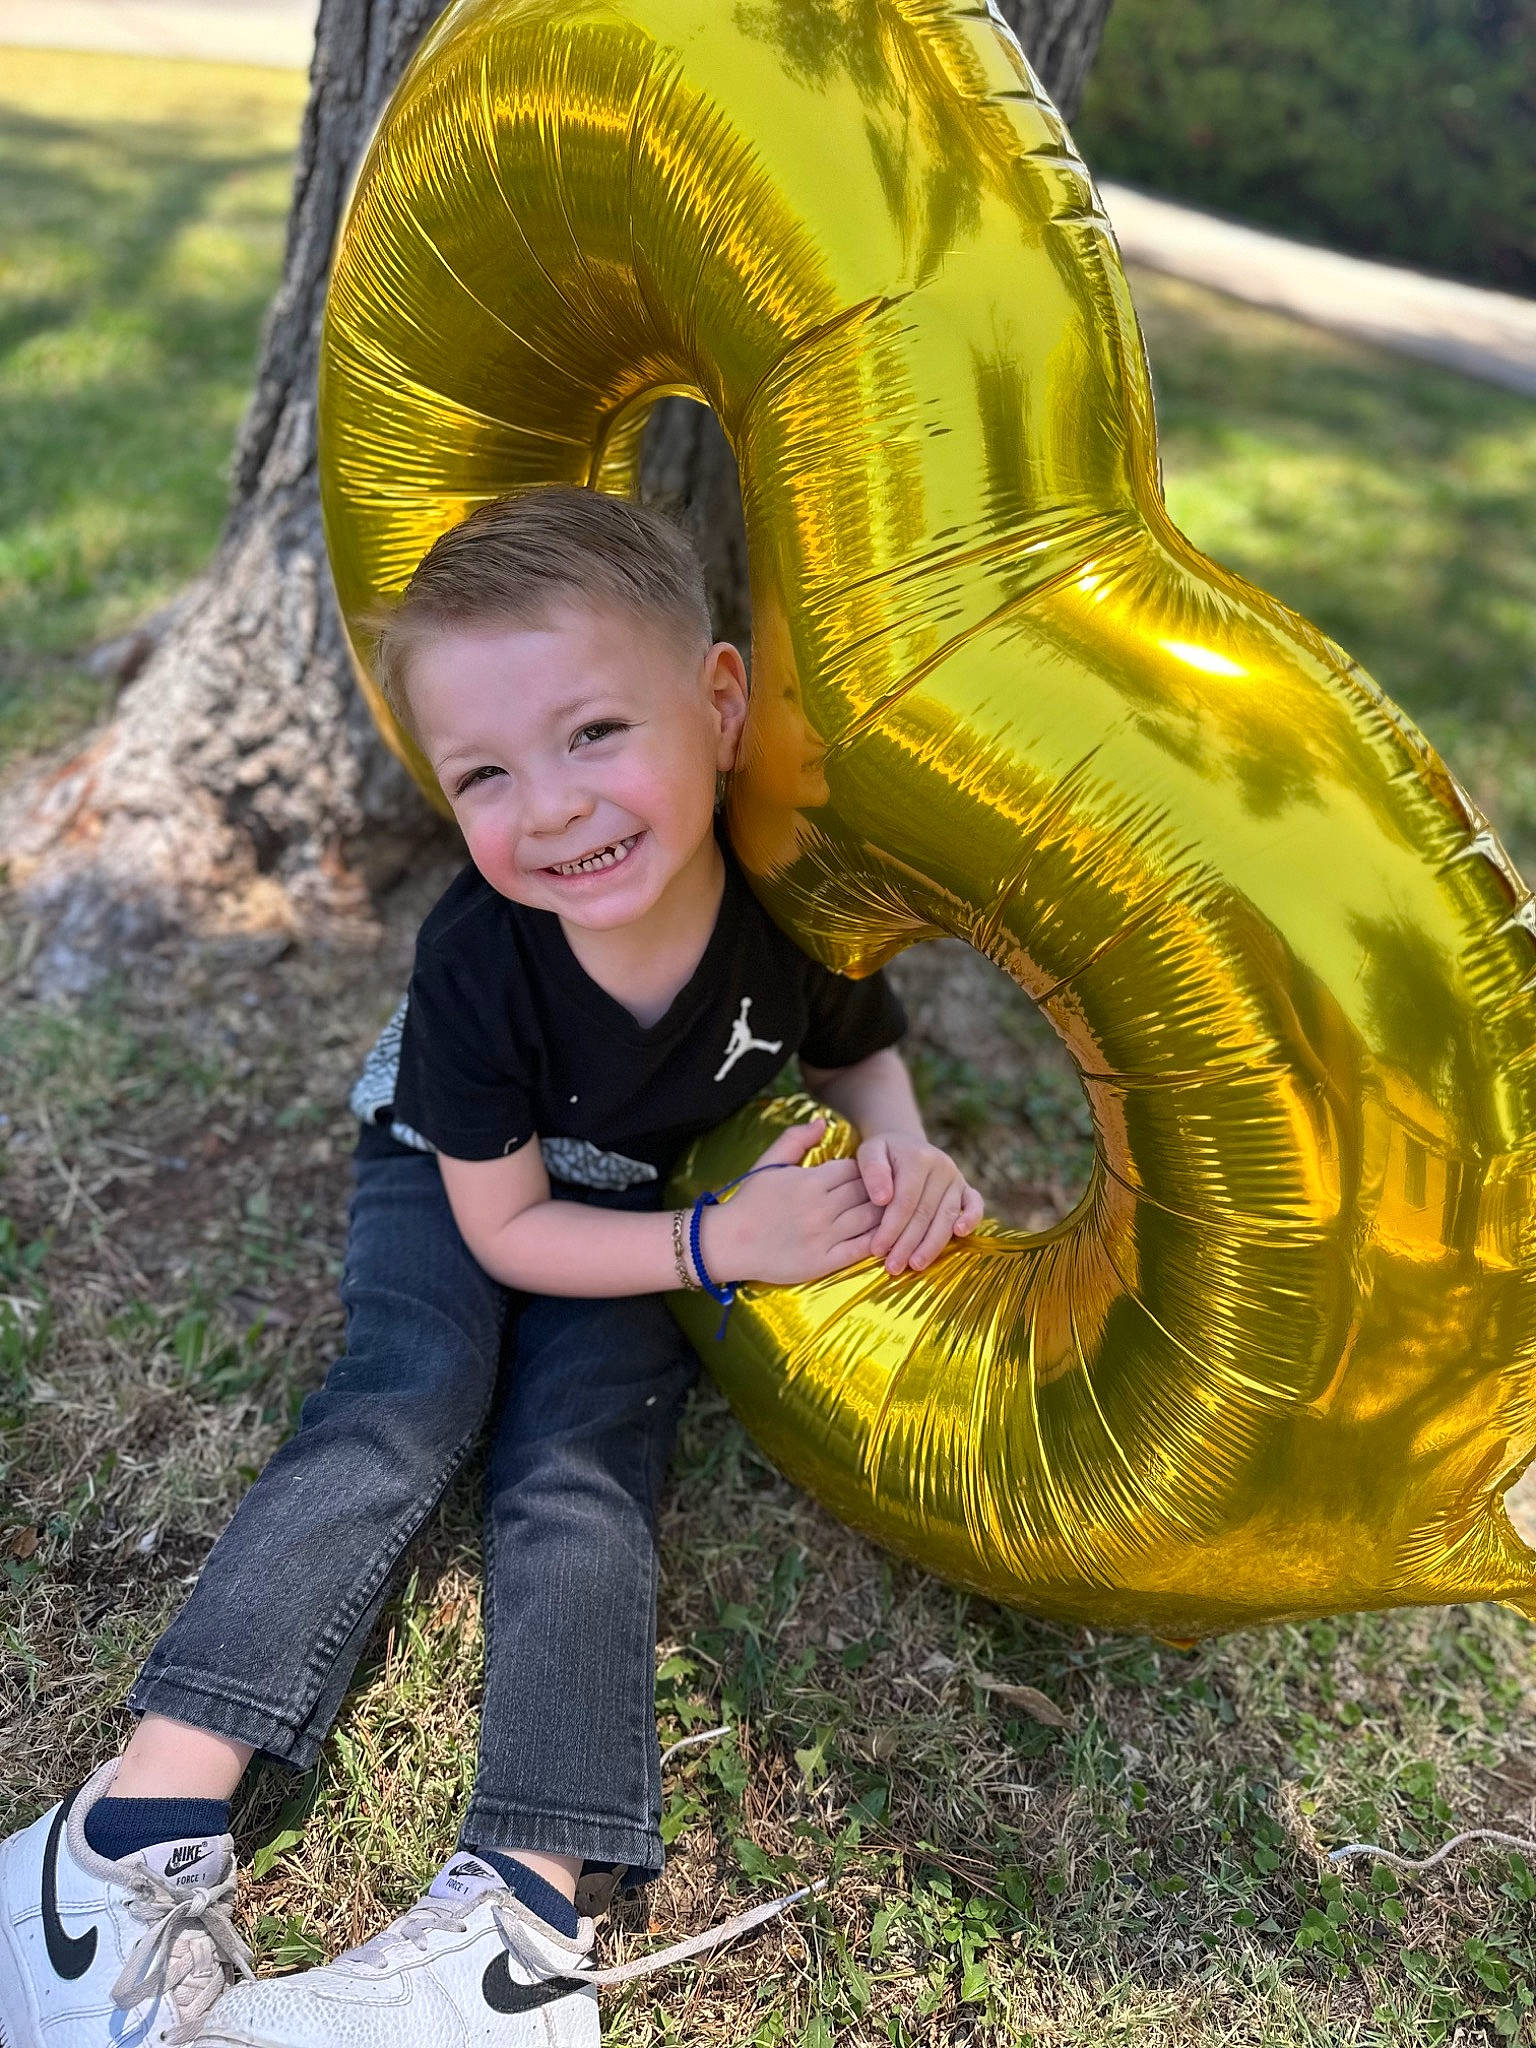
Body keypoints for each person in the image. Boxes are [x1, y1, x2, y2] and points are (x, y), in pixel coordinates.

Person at [0, 487, 983, 2048]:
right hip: (462, 1177)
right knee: (411, 1395)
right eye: (486, 774)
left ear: (719, 705)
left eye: (596, 732)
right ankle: (115, 1841)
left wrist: (905, 1152)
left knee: (585, 1468)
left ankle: (519, 1933)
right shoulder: (477, 954)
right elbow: (507, 1231)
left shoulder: (793, 907)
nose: (553, 809)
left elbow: (861, 1052)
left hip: (656, 1199)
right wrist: (715, 1248)